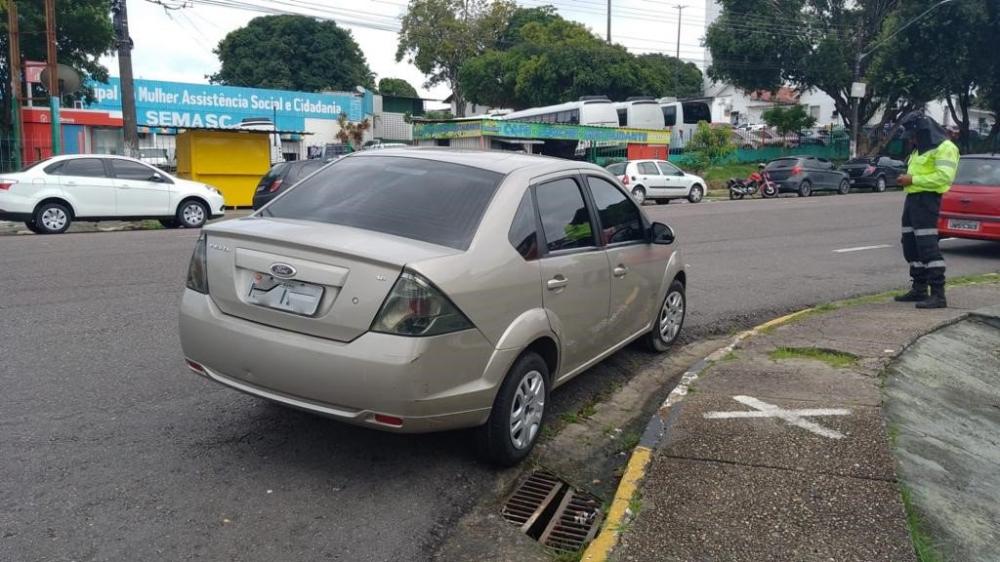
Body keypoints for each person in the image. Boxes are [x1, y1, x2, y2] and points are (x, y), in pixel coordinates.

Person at [893, 111, 960, 309]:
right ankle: (919, 288)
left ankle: (938, 294)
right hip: (913, 199)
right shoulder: (919, 149)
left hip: (928, 200)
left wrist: (913, 179)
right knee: (910, 244)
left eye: (914, 135)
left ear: (924, 132)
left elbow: (943, 178)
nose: (912, 139)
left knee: (927, 246)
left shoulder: (945, 148)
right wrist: (907, 179)